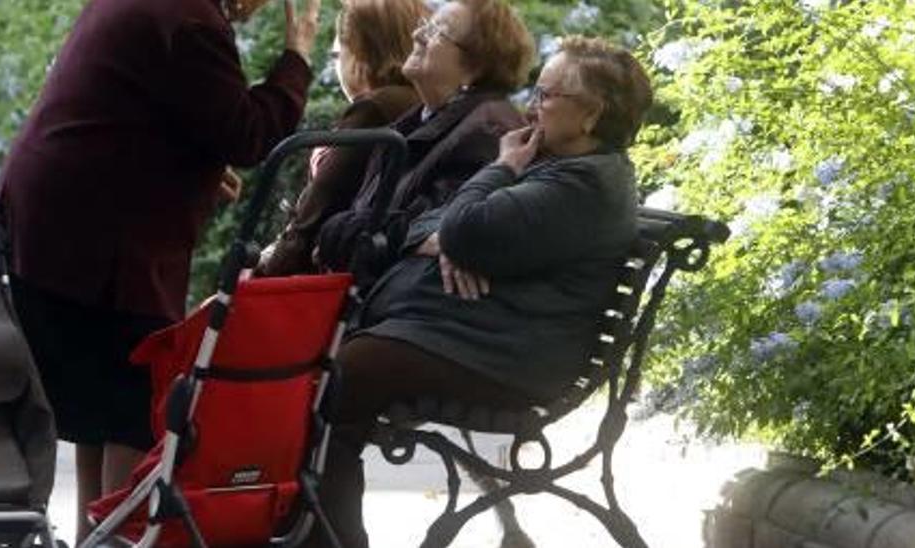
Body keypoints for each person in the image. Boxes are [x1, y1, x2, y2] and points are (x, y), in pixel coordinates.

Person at [308, 36, 655, 547]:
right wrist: (450, 234)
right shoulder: (555, 165)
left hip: (508, 359)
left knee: (340, 377)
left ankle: (329, 538)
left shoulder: (584, 185)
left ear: (591, 115)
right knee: (322, 368)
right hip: (471, 337)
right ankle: (316, 532)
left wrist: (496, 174)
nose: (532, 107)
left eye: (546, 95)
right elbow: (435, 223)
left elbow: (463, 229)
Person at [0, 0, 320, 541]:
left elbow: (138, 107)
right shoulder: (191, 23)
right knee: (132, 407)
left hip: (58, 225)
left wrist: (186, 170)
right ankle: (114, 539)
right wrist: (297, 56)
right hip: (99, 243)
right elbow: (249, 135)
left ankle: (93, 537)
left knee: (98, 406)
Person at [310, 0, 536, 276]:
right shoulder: (412, 124)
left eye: (437, 32)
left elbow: (424, 234)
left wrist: (342, 234)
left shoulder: (487, 134)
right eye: (425, 26)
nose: (417, 35)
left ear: (474, 68)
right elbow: (363, 229)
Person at [256, 0, 428, 277]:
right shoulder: (420, 102)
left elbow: (317, 209)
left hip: (331, 278)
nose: (338, 68)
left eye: (338, 56)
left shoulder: (375, 108)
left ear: (361, 52)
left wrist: (261, 276)